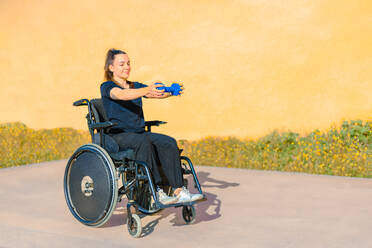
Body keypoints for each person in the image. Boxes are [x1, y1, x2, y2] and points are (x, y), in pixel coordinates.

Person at [100, 48, 202, 205]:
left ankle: (179, 191)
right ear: (111, 67)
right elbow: (121, 95)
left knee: (168, 142)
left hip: (138, 133)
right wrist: (147, 89)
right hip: (118, 136)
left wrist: (171, 91)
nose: (127, 67)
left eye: (128, 63)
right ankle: (156, 192)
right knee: (143, 143)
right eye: (122, 64)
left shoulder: (135, 85)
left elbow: (156, 93)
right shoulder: (107, 86)